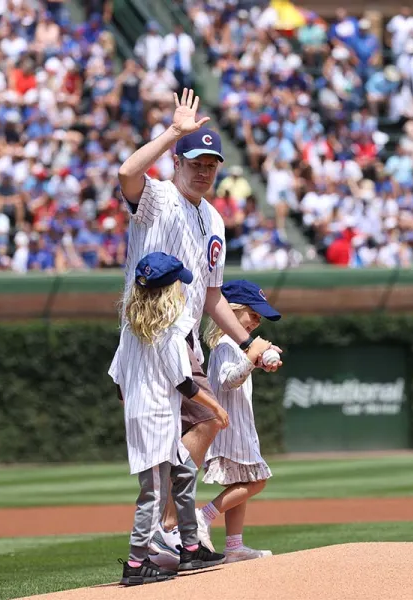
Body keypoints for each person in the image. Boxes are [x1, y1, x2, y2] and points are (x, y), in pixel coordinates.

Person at [112, 88, 283, 561]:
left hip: (184, 338)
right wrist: (173, 132)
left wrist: (252, 342)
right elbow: (127, 173)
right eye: (195, 161)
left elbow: (212, 297)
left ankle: (169, 532)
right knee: (206, 420)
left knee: (196, 428)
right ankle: (166, 530)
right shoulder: (157, 198)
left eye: (211, 163)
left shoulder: (214, 220)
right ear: (176, 162)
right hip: (149, 337)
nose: (204, 170)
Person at [112, 251, 229, 586]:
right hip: (156, 419)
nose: (182, 289)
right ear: (168, 290)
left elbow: (118, 379)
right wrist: (217, 409)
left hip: (148, 415)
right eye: (178, 283)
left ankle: (191, 546)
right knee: (154, 492)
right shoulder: (171, 330)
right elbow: (184, 383)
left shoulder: (129, 331)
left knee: (184, 471)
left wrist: (133, 409)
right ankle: (136, 564)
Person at [198, 279, 281, 563]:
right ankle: (202, 516)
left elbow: (243, 369)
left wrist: (262, 361)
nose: (257, 322)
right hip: (230, 430)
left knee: (241, 484)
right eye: (253, 314)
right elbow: (229, 380)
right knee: (257, 481)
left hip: (239, 428)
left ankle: (234, 546)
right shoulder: (224, 344)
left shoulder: (236, 346)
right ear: (231, 311)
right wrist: (253, 356)